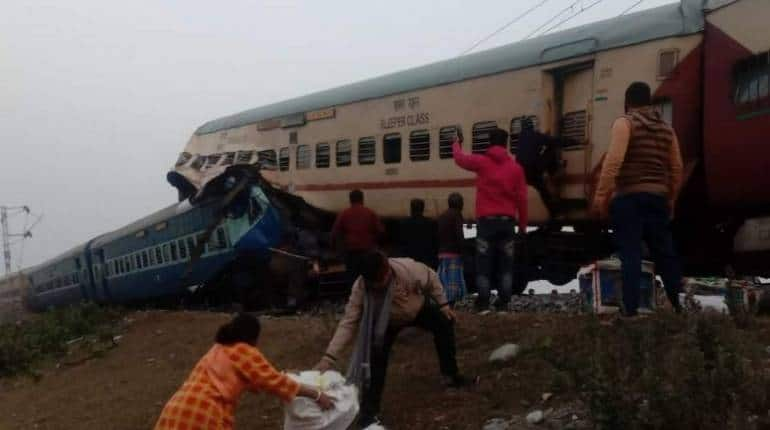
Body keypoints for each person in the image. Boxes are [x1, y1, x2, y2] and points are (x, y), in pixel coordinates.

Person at [314, 250, 465, 428]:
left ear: (387, 269)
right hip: (382, 324)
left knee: (444, 324)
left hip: (416, 309)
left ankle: (451, 375)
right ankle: (369, 413)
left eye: (382, 279)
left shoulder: (407, 269)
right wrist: (329, 357)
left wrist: (443, 304)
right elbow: (349, 322)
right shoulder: (361, 288)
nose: (379, 285)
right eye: (375, 283)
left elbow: (431, 278)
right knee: (375, 362)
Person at [592, 81, 684, 316]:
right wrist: (671, 198)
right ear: (650, 101)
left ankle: (631, 310)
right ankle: (677, 306)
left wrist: (602, 196)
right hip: (658, 198)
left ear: (627, 102)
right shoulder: (667, 129)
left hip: (629, 198)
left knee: (630, 252)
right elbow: (676, 167)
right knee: (665, 253)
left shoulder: (625, 123)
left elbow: (613, 162)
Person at [155, 313, 334, 430]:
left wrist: (287, 373)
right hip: (202, 415)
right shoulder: (244, 350)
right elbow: (275, 382)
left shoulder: (219, 348)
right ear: (253, 336)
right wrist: (317, 395)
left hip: (175, 410)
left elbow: (257, 377)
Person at [453, 128, 528, 311]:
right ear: (506, 144)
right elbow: (522, 200)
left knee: (484, 264)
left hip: (486, 224)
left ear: (490, 143)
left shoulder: (481, 163)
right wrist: (523, 227)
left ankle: (484, 302)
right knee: (506, 265)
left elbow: (460, 159)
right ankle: (503, 303)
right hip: (507, 223)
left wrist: (456, 143)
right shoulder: (516, 169)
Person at [331, 189, 385, 284]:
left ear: (350, 200)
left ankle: (354, 297)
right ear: (362, 199)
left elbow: (335, 233)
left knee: (352, 280)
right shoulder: (370, 213)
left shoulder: (344, 214)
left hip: (351, 253)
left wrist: (338, 249)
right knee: (368, 279)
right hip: (368, 252)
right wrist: (374, 242)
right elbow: (381, 231)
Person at [516, 117, 561, 216]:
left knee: (536, 190)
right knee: (543, 191)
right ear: (532, 126)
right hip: (533, 171)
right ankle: (553, 172)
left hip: (520, 172)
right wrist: (576, 141)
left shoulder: (521, 138)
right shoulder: (535, 136)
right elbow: (554, 141)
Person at [436, 193, 467, 306]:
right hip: (453, 253)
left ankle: (443, 303)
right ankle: (450, 304)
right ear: (459, 204)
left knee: (444, 281)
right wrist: (463, 252)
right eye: (462, 202)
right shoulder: (456, 215)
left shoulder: (442, 216)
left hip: (442, 253)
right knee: (453, 282)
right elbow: (459, 235)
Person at [397, 198, 438, 267]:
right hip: (426, 260)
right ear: (423, 209)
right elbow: (435, 241)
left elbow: (400, 242)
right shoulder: (431, 223)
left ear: (411, 209)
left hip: (408, 260)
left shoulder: (403, 223)